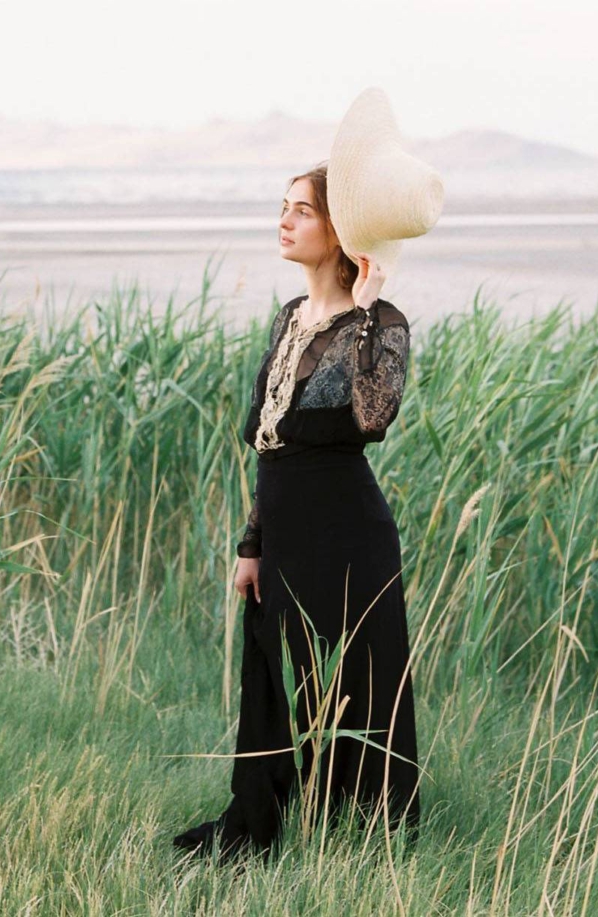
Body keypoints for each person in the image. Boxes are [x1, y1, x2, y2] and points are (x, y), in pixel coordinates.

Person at [171, 162, 422, 864]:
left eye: (301, 210)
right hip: (283, 527)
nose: (283, 219)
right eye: (283, 206)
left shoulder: (381, 323)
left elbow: (374, 418)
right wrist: (251, 541)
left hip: (348, 531)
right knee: (285, 671)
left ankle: (362, 829)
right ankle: (282, 812)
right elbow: (268, 436)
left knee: (357, 680)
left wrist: (369, 307)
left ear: (341, 230)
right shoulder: (289, 317)